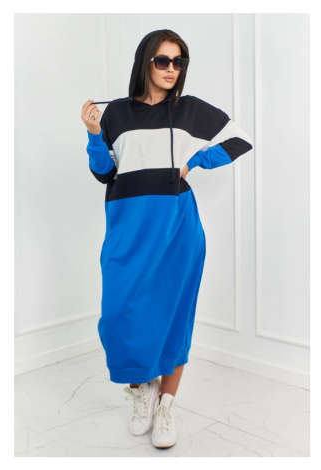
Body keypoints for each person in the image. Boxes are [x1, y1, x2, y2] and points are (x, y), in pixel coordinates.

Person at [81, 29, 253, 449]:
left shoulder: (190, 110)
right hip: (128, 229)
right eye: (163, 60)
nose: (171, 69)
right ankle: (144, 390)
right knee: (120, 315)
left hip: (178, 230)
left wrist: (195, 162)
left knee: (175, 316)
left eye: (179, 62)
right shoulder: (117, 114)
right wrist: (93, 134)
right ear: (145, 62)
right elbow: (105, 173)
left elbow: (240, 138)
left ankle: (166, 406)